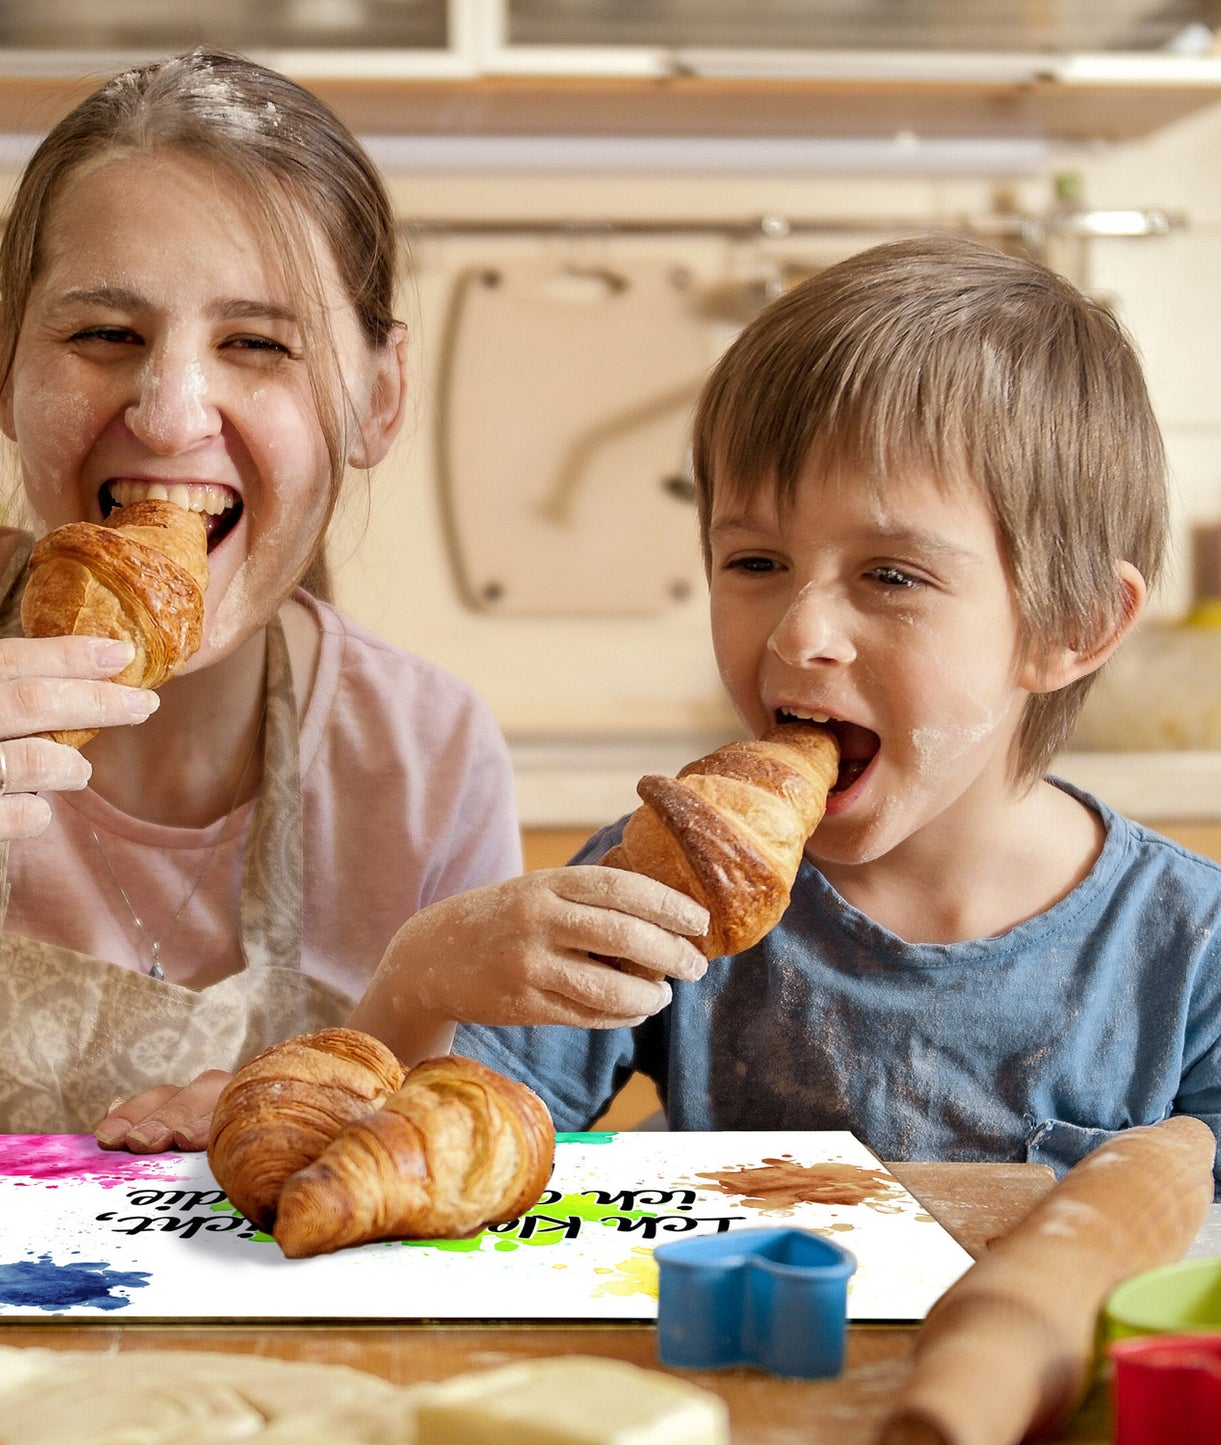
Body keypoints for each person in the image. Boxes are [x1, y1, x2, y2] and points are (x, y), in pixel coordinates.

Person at [0, 48, 528, 1168]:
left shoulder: (423, 760)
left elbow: (473, 1172)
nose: (173, 412)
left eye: (258, 344)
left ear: (377, 398)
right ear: (3, 366)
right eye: (103, 335)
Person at [357, 233, 1221, 1189]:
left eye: (890, 574)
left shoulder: (1189, 952)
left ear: (1074, 624)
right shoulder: (665, 879)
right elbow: (429, 1153)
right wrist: (418, 974)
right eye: (756, 563)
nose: (798, 631)